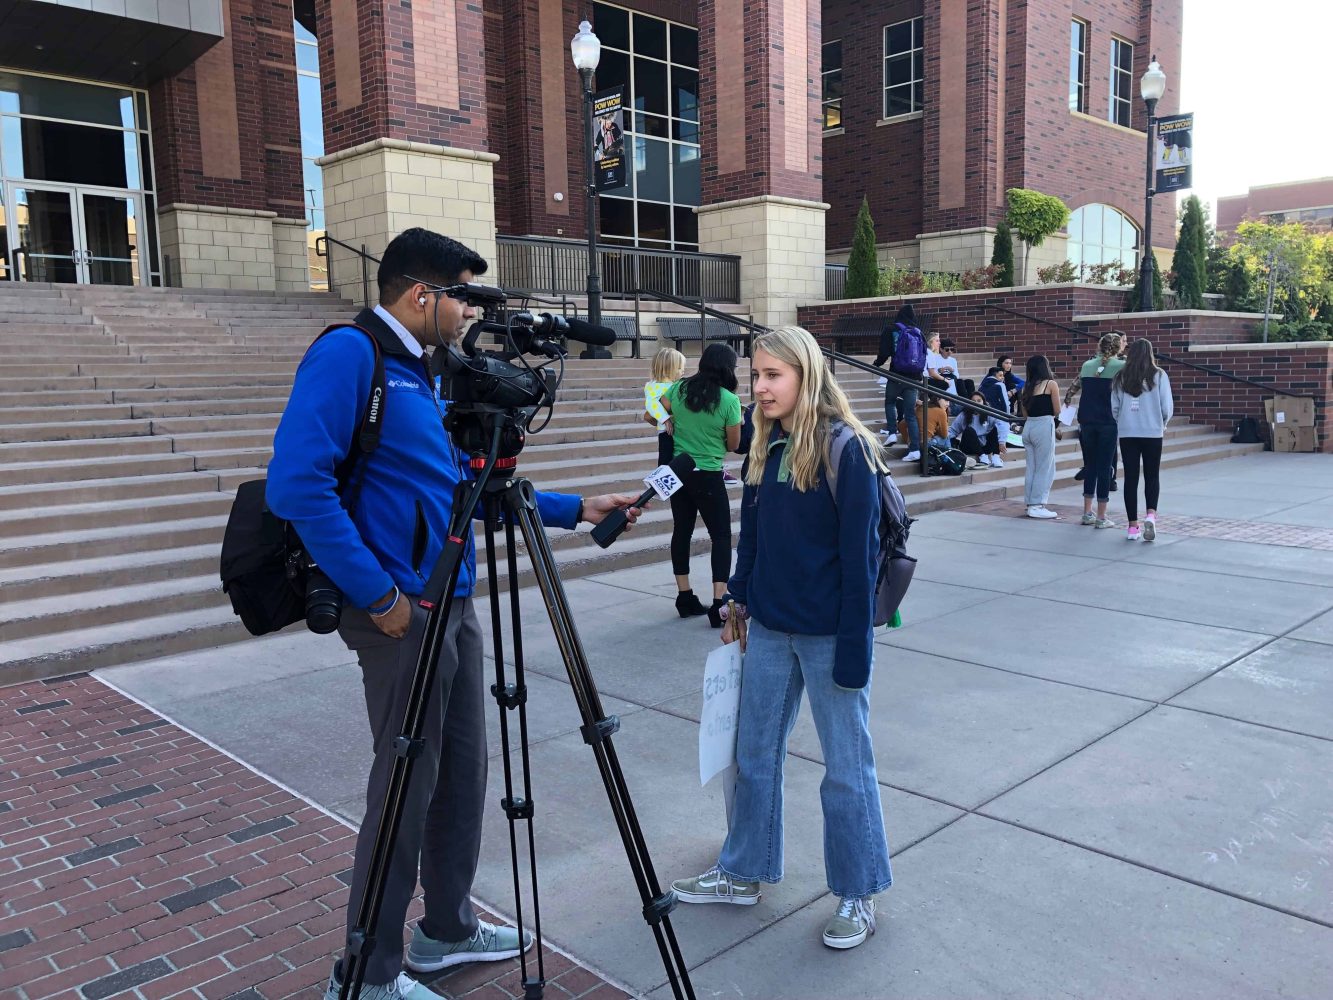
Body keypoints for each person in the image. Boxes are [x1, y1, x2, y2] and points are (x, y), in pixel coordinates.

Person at [266, 228, 644, 1000]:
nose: (470, 315)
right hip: (399, 610)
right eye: (463, 299)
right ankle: (367, 976)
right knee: (406, 784)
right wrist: (378, 597)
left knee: (461, 772)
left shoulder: (429, 372)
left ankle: (446, 929)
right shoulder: (352, 356)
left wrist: (576, 508)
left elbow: (459, 489)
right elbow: (295, 486)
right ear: (421, 295)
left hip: (453, 597)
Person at [671, 325, 892, 952]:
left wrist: (856, 650)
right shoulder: (765, 446)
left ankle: (858, 891)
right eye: (756, 376)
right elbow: (756, 537)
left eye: (773, 376)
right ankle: (743, 871)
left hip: (829, 638)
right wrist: (737, 596)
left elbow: (861, 562)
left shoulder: (848, 450)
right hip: (768, 628)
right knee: (753, 753)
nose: (759, 387)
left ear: (806, 375)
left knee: (846, 769)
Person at [660, 343, 743, 626]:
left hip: (677, 472)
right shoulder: (729, 401)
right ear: (727, 368)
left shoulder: (679, 389)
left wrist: (669, 420)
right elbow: (733, 445)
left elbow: (659, 411)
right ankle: (718, 602)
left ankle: (684, 596)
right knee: (720, 536)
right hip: (708, 474)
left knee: (680, 531)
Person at [1112, 338, 1174, 541]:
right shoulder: (1159, 375)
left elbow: (1114, 407)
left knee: (1130, 478)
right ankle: (1151, 514)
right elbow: (1166, 407)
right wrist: (1161, 423)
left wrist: (1122, 421)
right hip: (1152, 432)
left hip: (1128, 432)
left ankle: (1132, 527)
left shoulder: (1121, 376)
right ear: (1150, 353)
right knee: (1151, 475)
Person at [1076, 333, 1125, 528]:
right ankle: (1101, 516)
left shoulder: (1087, 366)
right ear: (1117, 347)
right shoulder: (1121, 366)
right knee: (1105, 468)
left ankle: (1087, 512)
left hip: (1087, 420)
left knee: (1090, 466)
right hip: (1108, 421)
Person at [872, 303, 925, 462]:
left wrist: (877, 364)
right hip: (914, 377)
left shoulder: (891, 329)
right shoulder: (918, 332)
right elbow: (923, 355)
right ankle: (915, 449)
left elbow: (884, 352)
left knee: (890, 402)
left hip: (897, 374)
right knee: (910, 414)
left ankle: (892, 432)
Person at [1019, 356, 1061, 519]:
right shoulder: (1051, 384)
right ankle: (1037, 505)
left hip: (1029, 425)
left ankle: (1031, 503)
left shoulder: (1025, 387)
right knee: (1045, 467)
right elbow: (1057, 409)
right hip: (1044, 424)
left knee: (1032, 467)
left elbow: (1024, 413)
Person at [643, 347, 685, 466]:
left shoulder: (673, 384)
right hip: (666, 431)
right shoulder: (655, 386)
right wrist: (665, 420)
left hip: (678, 429)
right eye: (680, 368)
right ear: (669, 369)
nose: (683, 371)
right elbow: (651, 404)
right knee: (665, 461)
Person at [949, 392, 1008, 468]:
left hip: (985, 445)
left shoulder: (989, 413)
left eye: (979, 400)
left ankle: (996, 457)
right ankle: (982, 456)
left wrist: (1002, 441)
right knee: (969, 430)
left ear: (983, 402)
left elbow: (1003, 424)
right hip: (969, 446)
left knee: (996, 428)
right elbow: (953, 430)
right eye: (973, 401)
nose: (976, 403)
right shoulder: (964, 415)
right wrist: (950, 442)